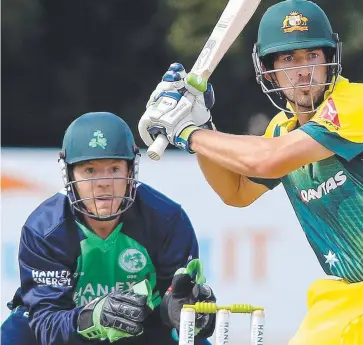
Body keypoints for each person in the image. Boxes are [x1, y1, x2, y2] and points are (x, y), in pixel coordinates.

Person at [138, 0, 363, 345]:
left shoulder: (360, 103)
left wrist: (188, 133)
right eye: (288, 59)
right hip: (347, 295)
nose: (303, 70)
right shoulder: (279, 131)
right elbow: (235, 192)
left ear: (330, 60)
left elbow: (269, 160)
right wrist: (200, 121)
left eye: (312, 56)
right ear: (269, 71)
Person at [1, 112, 216, 345]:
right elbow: (47, 325)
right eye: (90, 170)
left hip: (141, 325)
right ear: (69, 173)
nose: (103, 182)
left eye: (114, 169)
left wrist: (187, 311)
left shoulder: (168, 221)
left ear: (130, 172)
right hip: (69, 325)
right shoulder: (45, 229)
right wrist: (92, 317)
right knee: (15, 334)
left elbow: (175, 304)